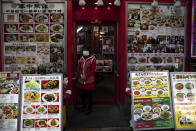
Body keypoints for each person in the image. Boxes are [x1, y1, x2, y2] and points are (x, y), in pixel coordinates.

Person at [78, 45, 96, 114]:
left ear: (89, 51)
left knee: (89, 95)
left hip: (89, 80)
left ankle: (89, 109)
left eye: (86, 50)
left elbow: (93, 70)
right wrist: (81, 74)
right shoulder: (81, 58)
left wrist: (86, 75)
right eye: (84, 50)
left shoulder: (92, 59)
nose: (84, 52)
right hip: (82, 79)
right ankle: (83, 107)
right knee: (82, 94)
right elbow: (79, 68)